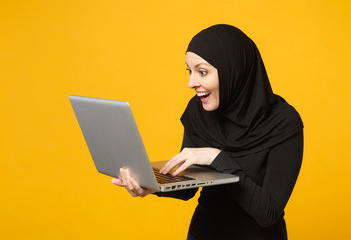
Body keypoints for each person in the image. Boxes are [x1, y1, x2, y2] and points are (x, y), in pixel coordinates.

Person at [112, 24, 304, 240]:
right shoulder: (199, 111)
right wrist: (150, 185)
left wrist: (218, 157)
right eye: (189, 71)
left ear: (234, 70)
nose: (191, 83)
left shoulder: (283, 122)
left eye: (202, 72)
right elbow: (188, 186)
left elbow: (267, 213)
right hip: (202, 233)